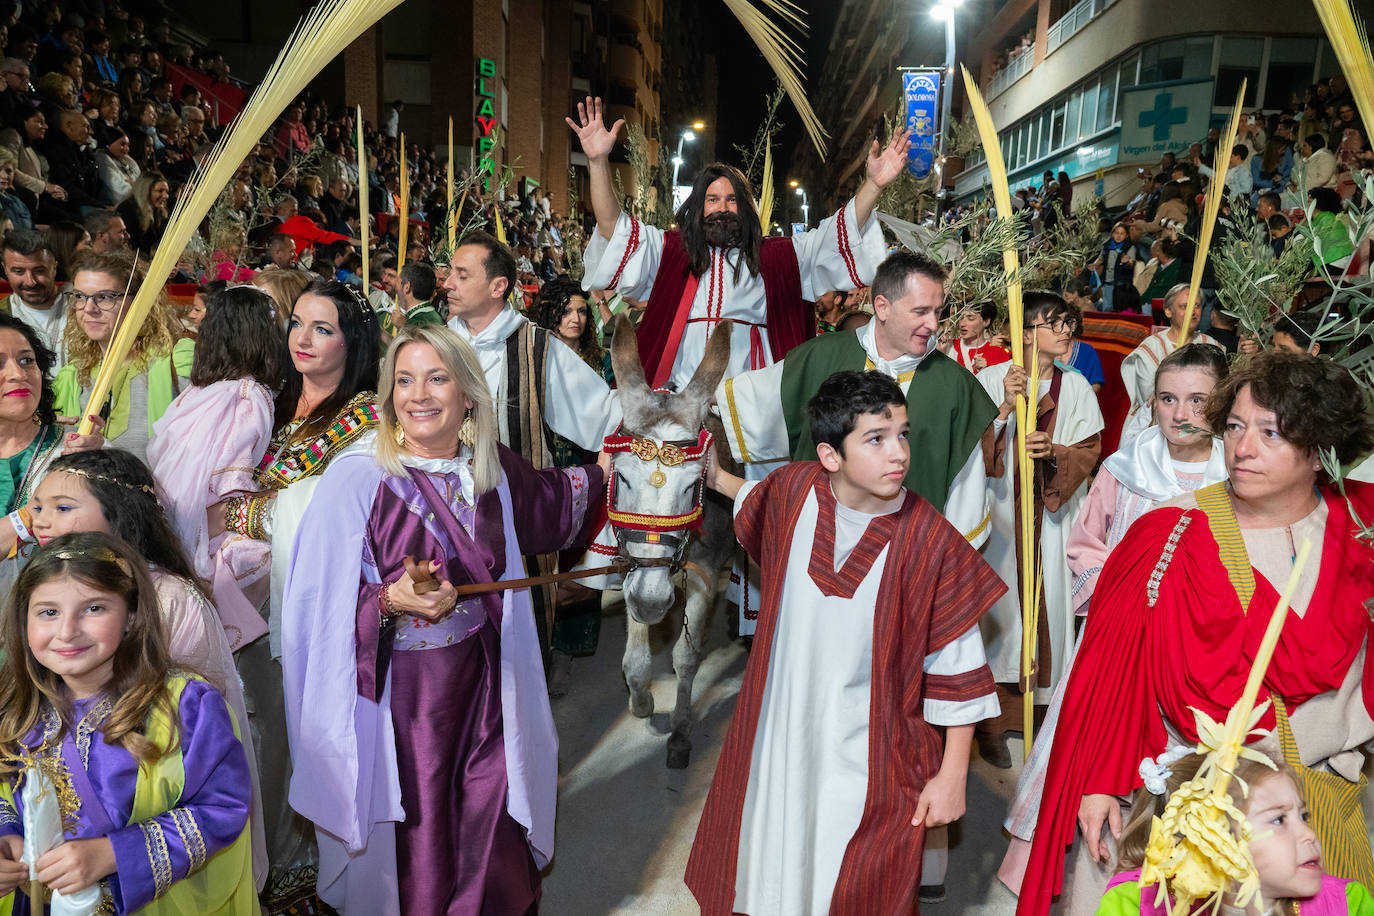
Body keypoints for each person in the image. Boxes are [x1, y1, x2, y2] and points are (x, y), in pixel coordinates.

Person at [1019, 352, 1374, 916]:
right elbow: (1114, 675)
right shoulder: (1170, 532)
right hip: (1199, 810)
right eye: (1234, 426)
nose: (1242, 448)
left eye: (1270, 433)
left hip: (1323, 805)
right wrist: (1101, 782)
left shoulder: (1363, 525)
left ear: (1321, 447)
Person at [282, 325, 606, 915]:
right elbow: (315, 618)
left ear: (468, 396)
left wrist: (612, 468)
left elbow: (551, 504)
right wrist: (388, 601)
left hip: (485, 688)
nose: (419, 395)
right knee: (421, 825)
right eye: (404, 380)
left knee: (492, 811)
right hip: (400, 707)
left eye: (437, 378)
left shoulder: (491, 472)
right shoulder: (356, 480)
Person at [685, 370, 1005, 914]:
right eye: (876, 439)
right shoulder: (791, 492)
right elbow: (752, 498)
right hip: (779, 733)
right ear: (830, 456)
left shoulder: (933, 543)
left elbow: (959, 672)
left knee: (860, 879)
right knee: (767, 861)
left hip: (872, 752)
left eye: (902, 434)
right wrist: (714, 477)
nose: (898, 453)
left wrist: (953, 776)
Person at [998, 343, 1229, 892]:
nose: (1180, 413)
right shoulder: (1127, 469)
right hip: (1119, 641)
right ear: (1151, 403)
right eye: (1167, 398)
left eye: (1198, 400)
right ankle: (1084, 871)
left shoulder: (1238, 475)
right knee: (1093, 752)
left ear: (1222, 404)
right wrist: (1126, 597)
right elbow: (1084, 545)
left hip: (1198, 649)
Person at [714, 251, 998, 637]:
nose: (933, 324)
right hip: (814, 561)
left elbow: (965, 502)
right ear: (882, 306)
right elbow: (751, 404)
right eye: (920, 312)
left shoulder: (956, 388)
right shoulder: (823, 355)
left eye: (938, 311)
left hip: (901, 573)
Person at [26, 448, 268, 891]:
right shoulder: (45, 596)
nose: (41, 521)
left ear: (118, 516)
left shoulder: (170, 598)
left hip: (148, 811)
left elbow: (191, 730)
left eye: (62, 508)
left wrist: (118, 850)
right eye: (38, 507)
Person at [0, 532, 256, 914]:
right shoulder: (15, 704)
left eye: (93, 609)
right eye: (48, 612)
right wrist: (7, 839)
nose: (67, 631)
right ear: (24, 621)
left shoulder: (185, 704)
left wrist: (115, 854)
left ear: (131, 615)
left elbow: (223, 805)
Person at [444, 231, 621, 654]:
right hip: (440, 518)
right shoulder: (437, 344)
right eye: (449, 272)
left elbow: (604, 416)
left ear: (497, 287)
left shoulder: (538, 348)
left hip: (511, 521)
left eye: (460, 274)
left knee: (513, 648)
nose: (447, 282)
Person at [974, 291, 1103, 768]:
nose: (1066, 330)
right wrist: (1005, 412)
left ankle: (1046, 718)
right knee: (1001, 616)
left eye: (1068, 322)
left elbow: (1089, 449)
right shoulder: (989, 380)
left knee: (1048, 611)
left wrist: (1055, 453)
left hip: (1052, 516)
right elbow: (970, 449)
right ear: (1025, 332)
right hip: (1003, 516)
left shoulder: (1078, 388)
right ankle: (990, 724)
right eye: (1053, 323)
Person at [149, 286, 284, 653]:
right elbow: (230, 482)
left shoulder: (194, 392)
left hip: (173, 524)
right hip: (209, 531)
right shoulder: (247, 395)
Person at [1095, 750, 1374, 915]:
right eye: (1278, 820)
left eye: (1303, 816)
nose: (1309, 834)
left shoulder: (1347, 903)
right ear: (1210, 840)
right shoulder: (1134, 904)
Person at [54, 251, 194, 463]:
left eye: (105, 297)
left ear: (139, 301)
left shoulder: (177, 362)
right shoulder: (73, 376)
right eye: (80, 297)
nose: (89, 309)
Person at [1119, 283, 1222, 447]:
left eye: (1197, 306)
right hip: (1155, 428)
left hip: (1202, 429)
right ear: (1168, 311)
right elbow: (1150, 398)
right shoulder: (1151, 348)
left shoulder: (1211, 345)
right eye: (1184, 307)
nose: (1193, 312)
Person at [1, 228, 68, 356]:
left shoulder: (84, 307)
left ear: (54, 267)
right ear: (5, 269)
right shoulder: (2, 316)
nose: (30, 282)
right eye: (18, 271)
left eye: (39, 271)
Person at [947, 301, 1011, 374]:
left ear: (986, 322)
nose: (962, 324)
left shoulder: (1000, 354)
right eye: (961, 318)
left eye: (970, 318)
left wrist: (987, 371)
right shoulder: (948, 347)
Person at [116, 169, 169, 253]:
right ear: (145, 191)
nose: (165, 196)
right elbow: (130, 247)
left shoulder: (159, 212)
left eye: (166, 192)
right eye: (160, 191)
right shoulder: (128, 210)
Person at [391, 261, 443, 329]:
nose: (395, 288)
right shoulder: (428, 315)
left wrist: (403, 327)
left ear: (407, 287)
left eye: (397, 282)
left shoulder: (422, 322)